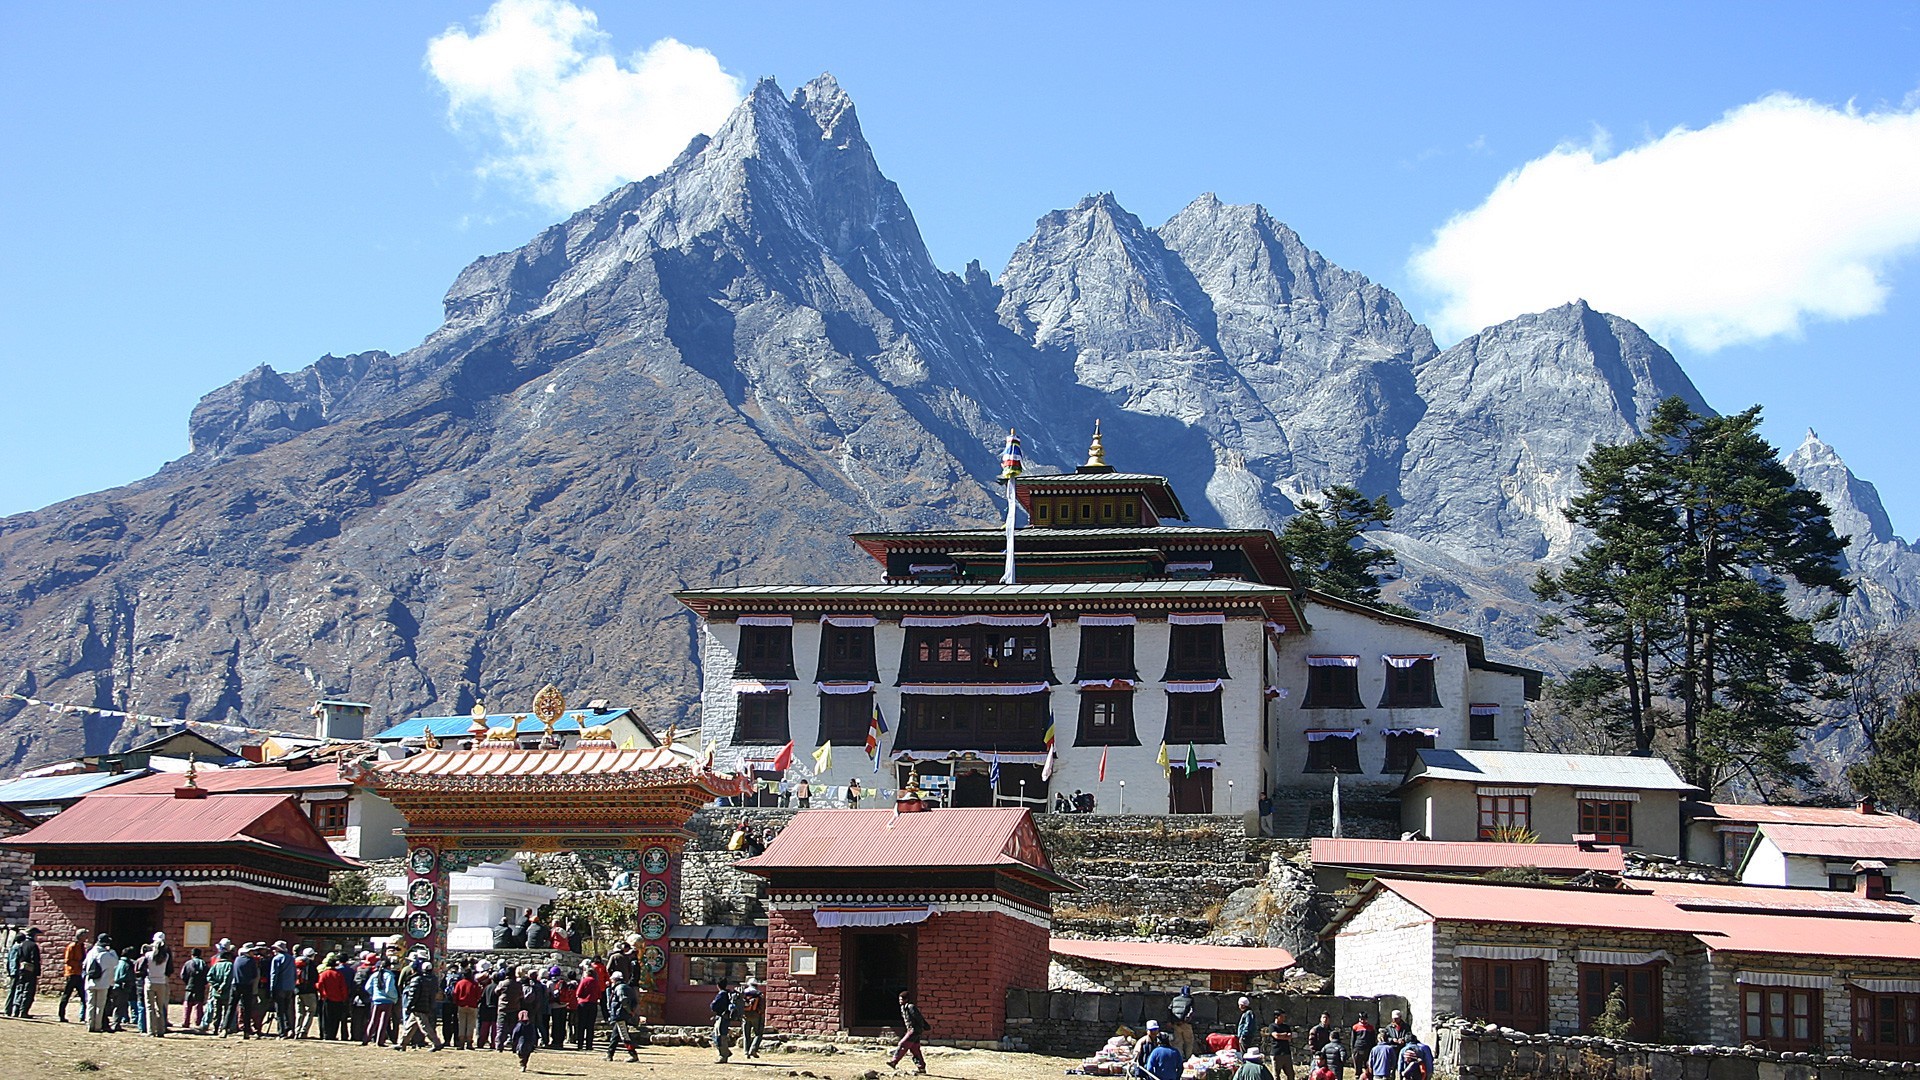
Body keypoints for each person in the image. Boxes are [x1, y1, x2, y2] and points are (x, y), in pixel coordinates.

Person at [395, 959, 444, 1051]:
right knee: (410, 1025)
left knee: (425, 1026)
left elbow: (413, 995)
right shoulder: (433, 979)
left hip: (418, 1006)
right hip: (426, 1005)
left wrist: (409, 1006)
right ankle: (402, 1043)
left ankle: (436, 1043)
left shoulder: (417, 979)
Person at [888, 989, 930, 1074]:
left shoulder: (911, 1007)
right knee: (915, 1049)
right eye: (899, 999)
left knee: (902, 1044)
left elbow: (919, 1018)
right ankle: (921, 1068)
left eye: (902, 999)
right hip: (911, 1030)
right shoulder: (904, 1008)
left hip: (914, 1030)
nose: (900, 1001)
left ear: (906, 999)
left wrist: (923, 1026)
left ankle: (894, 1061)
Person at [602, 971, 641, 1062]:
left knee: (624, 1036)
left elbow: (624, 1000)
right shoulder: (627, 987)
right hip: (622, 1014)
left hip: (620, 1015)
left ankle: (633, 1054)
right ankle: (609, 1054)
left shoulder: (620, 988)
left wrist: (629, 1011)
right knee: (615, 1036)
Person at [82, 933, 117, 1033]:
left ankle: (90, 1024)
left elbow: (84, 965)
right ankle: (97, 1026)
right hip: (103, 983)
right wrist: (111, 951)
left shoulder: (91, 953)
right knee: (99, 1006)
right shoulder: (107, 955)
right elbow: (115, 963)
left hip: (90, 982)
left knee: (90, 1004)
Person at [5, 926, 42, 1018]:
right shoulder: (33, 946)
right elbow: (35, 960)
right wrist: (37, 972)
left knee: (19, 990)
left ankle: (15, 1010)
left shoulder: (21, 945)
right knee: (28, 991)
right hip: (30, 971)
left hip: (21, 970)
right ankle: (23, 1011)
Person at [57, 928, 89, 1023]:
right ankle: (61, 1015)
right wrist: (79, 964)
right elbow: (67, 960)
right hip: (72, 973)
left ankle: (84, 1016)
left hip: (79, 974)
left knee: (84, 997)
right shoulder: (72, 946)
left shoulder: (82, 946)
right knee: (66, 995)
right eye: (85, 935)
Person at [143, 933, 172, 1036]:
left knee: (150, 1008)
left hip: (150, 982)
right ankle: (161, 1030)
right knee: (160, 1007)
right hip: (161, 982)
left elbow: (143, 961)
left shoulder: (148, 955)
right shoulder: (166, 956)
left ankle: (151, 1030)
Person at [365, 956, 399, 1045]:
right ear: (388, 966)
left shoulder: (375, 975)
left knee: (373, 1020)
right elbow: (389, 989)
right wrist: (394, 997)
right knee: (383, 1022)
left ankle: (366, 1038)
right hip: (387, 1001)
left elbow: (368, 987)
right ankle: (380, 1041)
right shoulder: (389, 975)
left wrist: (374, 994)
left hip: (376, 1000)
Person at [203, 945, 235, 1036]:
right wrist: (222, 987)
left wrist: (216, 986)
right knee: (226, 1011)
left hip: (215, 992)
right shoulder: (229, 965)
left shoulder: (216, 965)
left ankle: (215, 1028)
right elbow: (227, 978)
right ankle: (223, 1028)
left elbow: (209, 976)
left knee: (217, 1011)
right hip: (226, 992)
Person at [232, 943, 262, 1038]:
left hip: (236, 986)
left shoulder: (237, 960)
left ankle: (225, 1028)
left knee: (233, 1007)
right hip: (249, 988)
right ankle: (247, 1031)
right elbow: (254, 976)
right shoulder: (251, 961)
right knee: (248, 1010)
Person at [317, 957, 351, 1040]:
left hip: (327, 999)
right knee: (335, 1019)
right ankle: (333, 1034)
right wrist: (344, 998)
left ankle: (326, 1034)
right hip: (338, 999)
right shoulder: (338, 974)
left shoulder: (324, 974)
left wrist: (322, 995)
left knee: (326, 1018)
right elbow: (343, 987)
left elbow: (320, 985)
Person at [268, 940, 296, 1038]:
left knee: (279, 1011)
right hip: (289, 987)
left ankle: (282, 1032)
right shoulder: (291, 959)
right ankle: (289, 1029)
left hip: (280, 987)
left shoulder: (276, 959)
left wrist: (272, 988)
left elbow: (274, 974)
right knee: (287, 1010)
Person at [451, 965, 481, 1049]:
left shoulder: (459, 983)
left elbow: (455, 994)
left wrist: (456, 1003)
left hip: (461, 1005)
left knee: (462, 1024)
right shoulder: (474, 984)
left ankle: (461, 1043)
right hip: (472, 1005)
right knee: (470, 1025)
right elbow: (478, 995)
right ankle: (469, 1042)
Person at [180, 948, 209, 1031]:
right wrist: (203, 983)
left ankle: (186, 1022)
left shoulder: (187, 963)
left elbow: (183, 975)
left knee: (187, 1005)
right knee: (198, 1005)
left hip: (189, 986)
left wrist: (187, 982)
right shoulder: (203, 963)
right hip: (200, 987)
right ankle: (198, 1021)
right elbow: (207, 975)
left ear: (192, 955)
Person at [295, 947, 320, 1038]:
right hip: (309, 991)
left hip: (298, 990)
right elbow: (315, 978)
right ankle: (303, 1031)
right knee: (310, 1011)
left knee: (299, 1012)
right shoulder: (311, 965)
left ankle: (296, 1031)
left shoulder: (297, 963)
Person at [710, 977, 736, 1062]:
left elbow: (713, 1006)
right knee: (720, 1035)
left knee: (720, 1036)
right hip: (726, 1017)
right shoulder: (728, 994)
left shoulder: (721, 994)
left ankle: (723, 1055)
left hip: (722, 1017)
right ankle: (726, 1052)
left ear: (718, 985)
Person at [739, 976, 766, 1058]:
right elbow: (762, 1006)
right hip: (756, 1015)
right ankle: (753, 1049)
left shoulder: (743, 993)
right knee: (758, 1034)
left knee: (746, 1034)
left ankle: (746, 1052)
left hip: (745, 1015)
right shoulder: (759, 994)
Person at [1169, 984, 1196, 1058]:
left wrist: (1171, 1021)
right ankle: (1188, 1058)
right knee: (1189, 1042)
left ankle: (1179, 1058)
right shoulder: (1190, 1000)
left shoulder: (1175, 999)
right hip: (1185, 1024)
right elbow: (1191, 1011)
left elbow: (1169, 1009)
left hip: (1176, 1024)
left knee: (1177, 1042)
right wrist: (1185, 1020)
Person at [1270, 1008, 1297, 1080]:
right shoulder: (1272, 1026)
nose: (1283, 1018)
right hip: (1276, 1053)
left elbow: (1289, 1036)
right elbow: (1276, 1036)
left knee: (1290, 1074)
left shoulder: (1286, 1026)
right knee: (1276, 1074)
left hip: (1286, 1053)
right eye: (1282, 1016)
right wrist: (1284, 1034)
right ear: (1277, 1017)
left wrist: (1282, 1036)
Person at [511, 1007, 539, 1071]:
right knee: (526, 1054)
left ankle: (522, 1064)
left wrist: (514, 1042)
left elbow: (515, 1033)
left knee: (521, 1053)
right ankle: (524, 1064)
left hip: (521, 1042)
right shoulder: (531, 1025)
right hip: (529, 1042)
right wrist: (534, 1043)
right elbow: (534, 1034)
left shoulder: (519, 1025)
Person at [1350, 1014, 1377, 1079]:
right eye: (1361, 1018)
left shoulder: (1371, 1028)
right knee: (1358, 1065)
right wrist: (1353, 1050)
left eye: (1364, 1019)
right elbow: (1352, 1039)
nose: (1362, 1020)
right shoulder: (1355, 1027)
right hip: (1358, 1048)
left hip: (1368, 1049)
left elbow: (1373, 1039)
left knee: (1368, 1065)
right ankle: (1358, 1076)